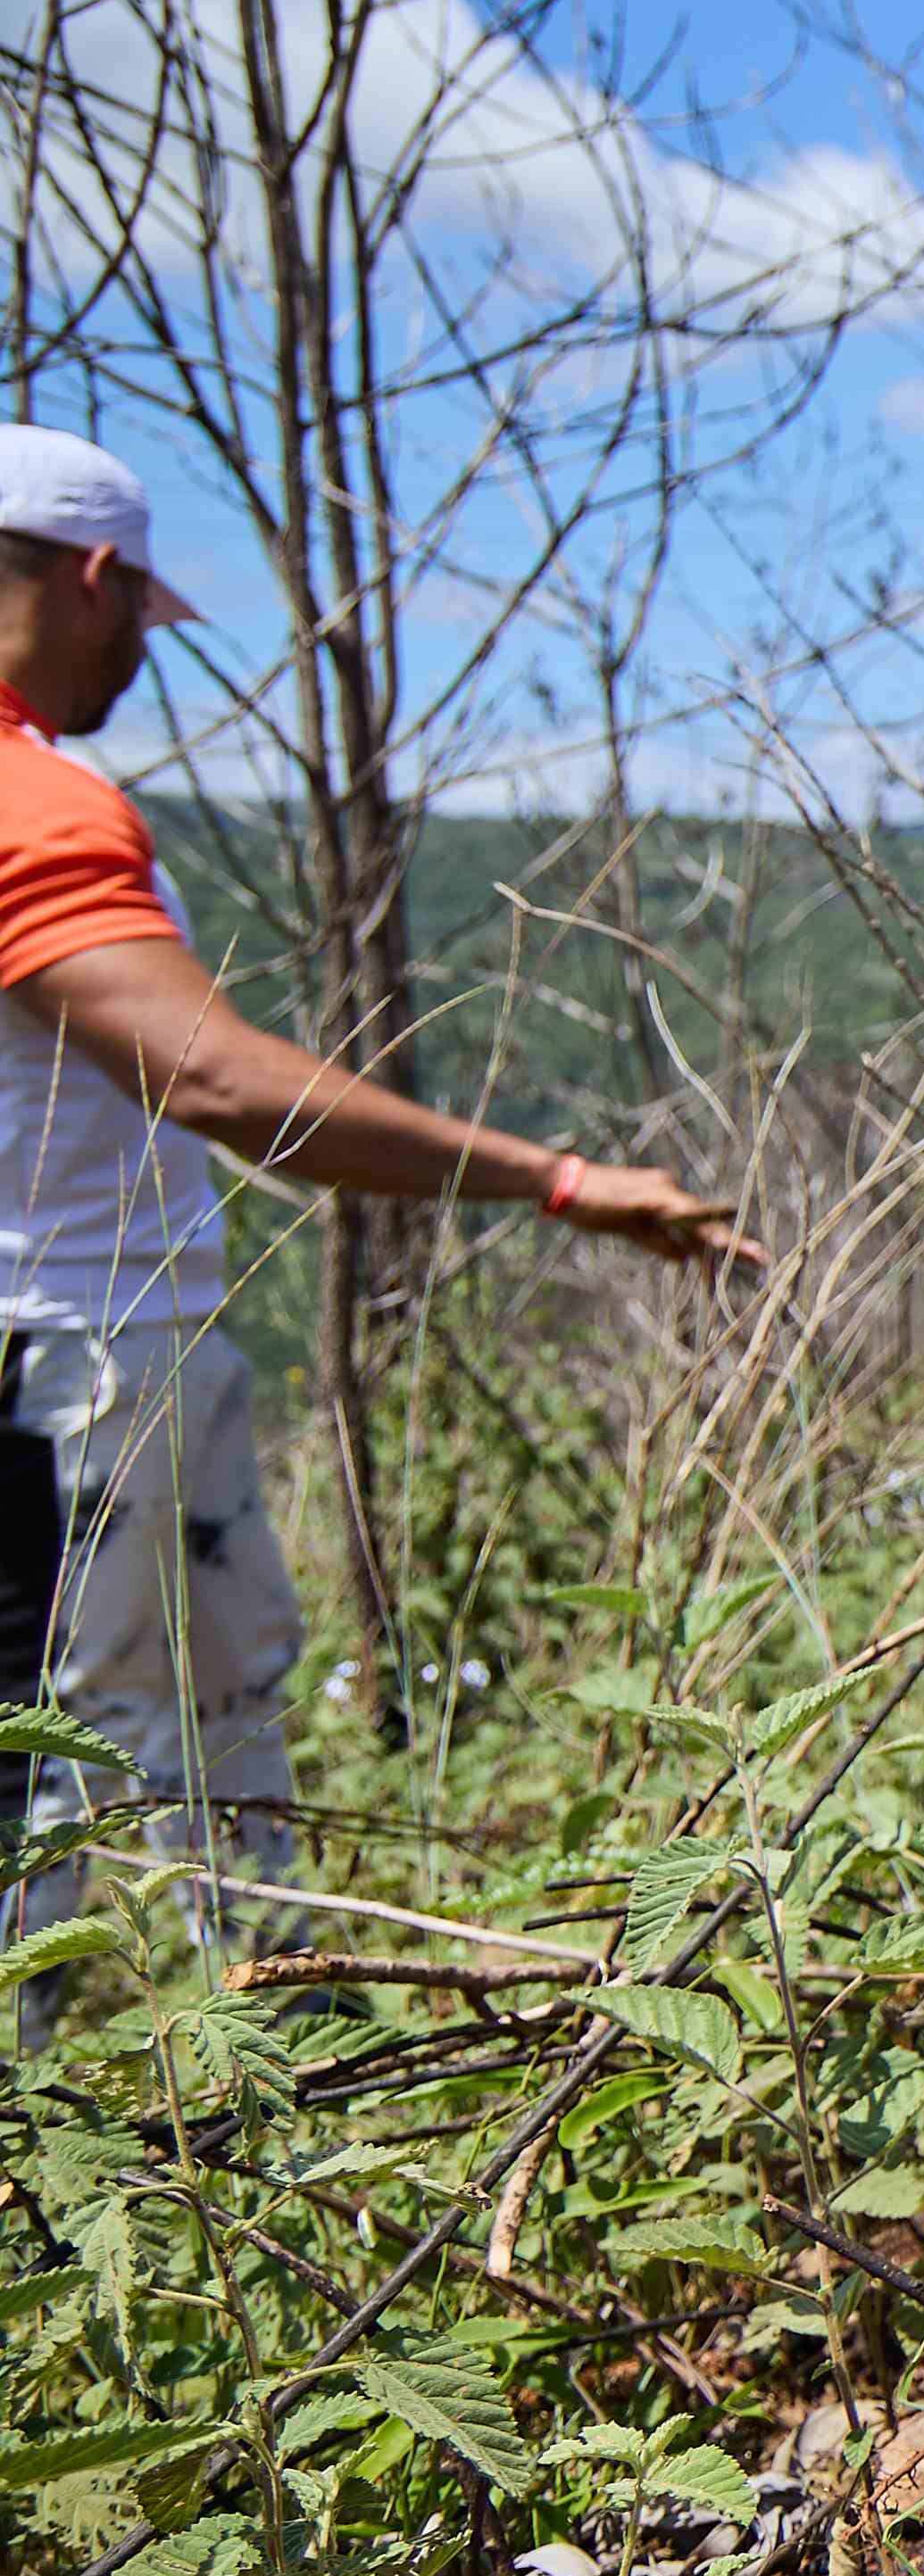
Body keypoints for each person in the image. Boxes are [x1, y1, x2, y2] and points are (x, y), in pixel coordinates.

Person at [0, 425, 752, 1969]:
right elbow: (215, 1083)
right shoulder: (42, 807)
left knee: (142, 1728)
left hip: (80, 1354)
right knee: (98, 1764)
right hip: (76, 1363)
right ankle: (172, 2124)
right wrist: (553, 1179)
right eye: (141, 618)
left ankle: (219, 2069)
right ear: (95, 579)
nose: (140, 653)